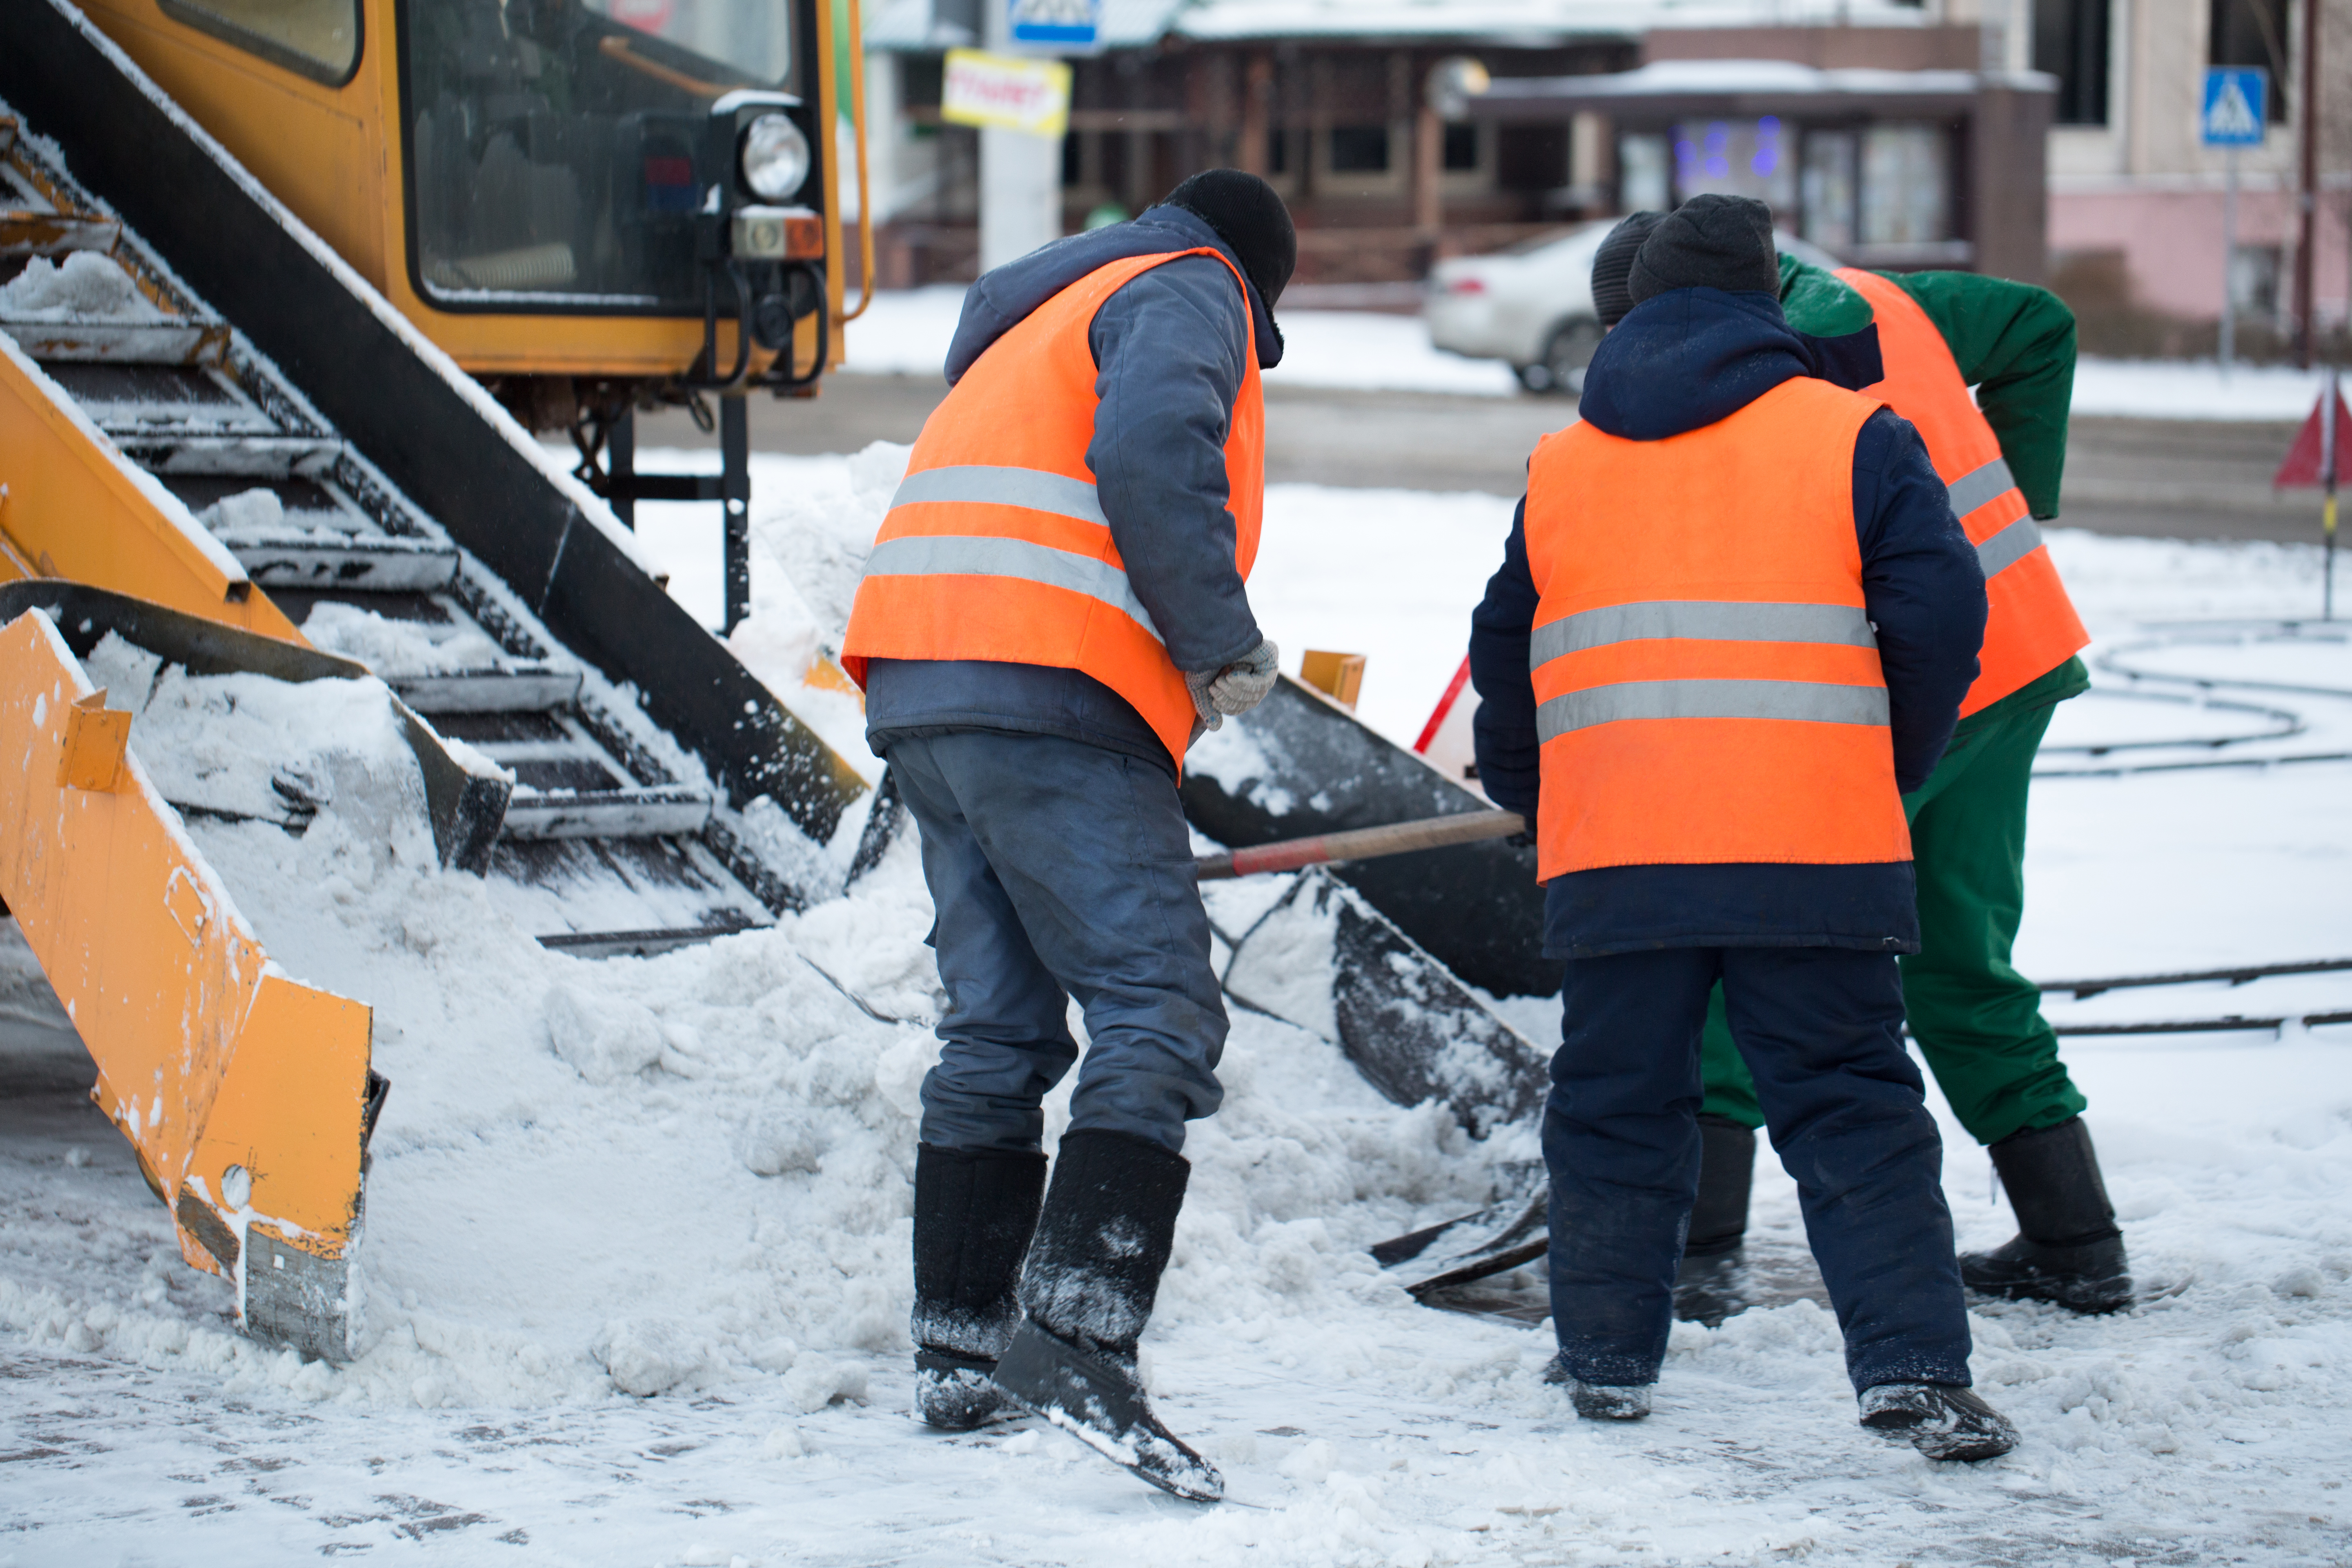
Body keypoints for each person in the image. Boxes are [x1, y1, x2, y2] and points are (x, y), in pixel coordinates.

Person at [1468, 195, 2017, 1460]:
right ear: (1772, 303)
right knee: (1849, 1104)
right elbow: (1941, 612)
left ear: (1640, 305)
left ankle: (1603, 1359)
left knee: (1614, 1103)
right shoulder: (1851, 434)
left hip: (1618, 852)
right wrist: (1889, 762)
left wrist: (1534, 799)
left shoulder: (1566, 461)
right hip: (1810, 843)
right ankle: (1914, 1373)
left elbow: (1506, 649)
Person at [839, 169, 1295, 1504]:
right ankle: (1080, 1335)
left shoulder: (1045, 305)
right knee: (1158, 1011)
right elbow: (1154, 449)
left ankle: (961, 1347)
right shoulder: (1195, 284)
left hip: (922, 682)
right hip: (1054, 686)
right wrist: (1220, 646)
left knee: (999, 1027)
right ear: (1258, 278)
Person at [1675, 254, 2125, 1319]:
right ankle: (2077, 1244)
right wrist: (2019, 494)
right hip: (2016, 657)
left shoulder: (1751, 368)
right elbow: (2042, 321)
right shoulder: (1889, 296)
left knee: (1741, 948)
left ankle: (1696, 1251)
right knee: (1959, 956)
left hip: (1913, 687)